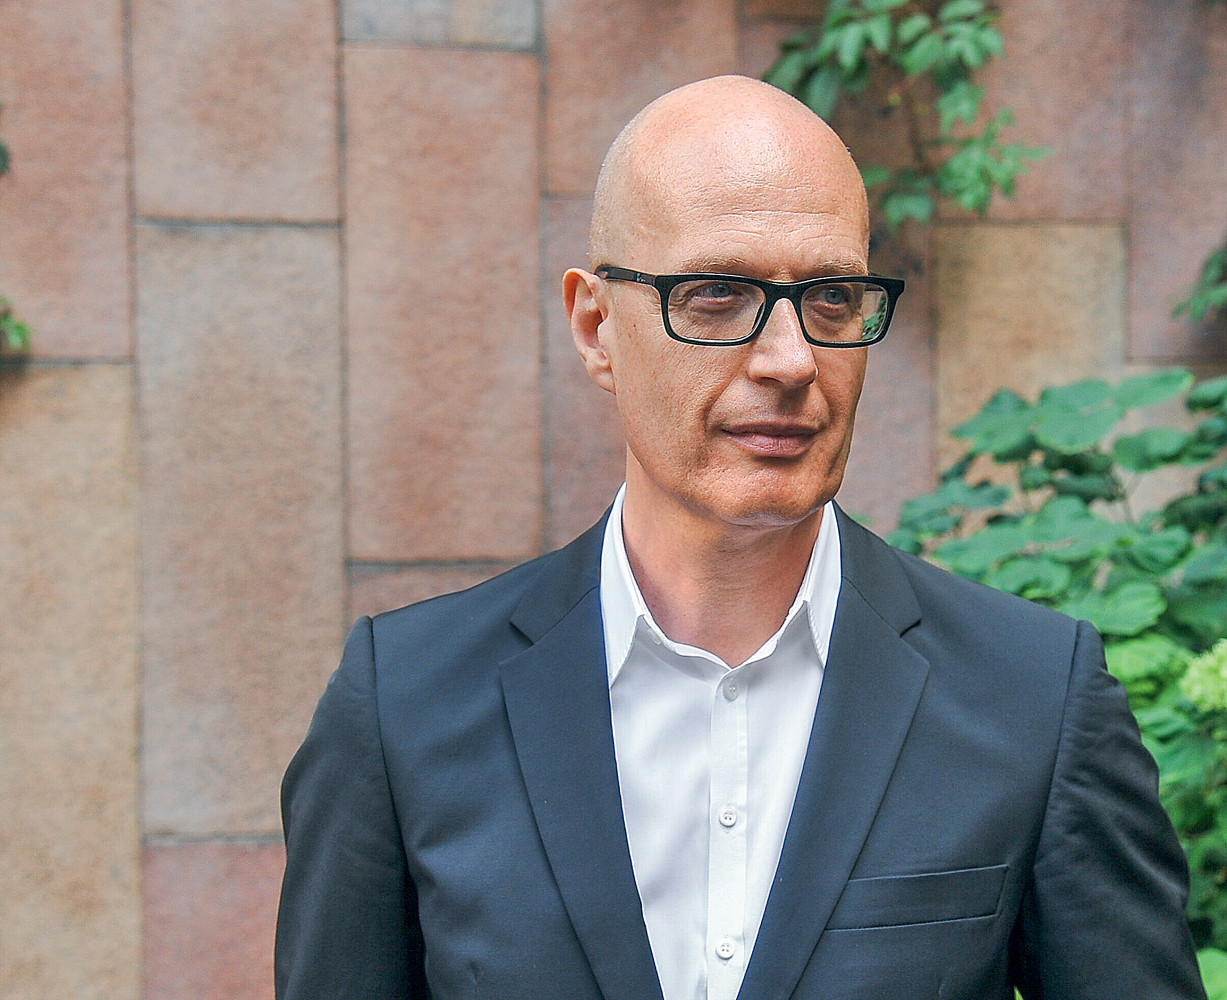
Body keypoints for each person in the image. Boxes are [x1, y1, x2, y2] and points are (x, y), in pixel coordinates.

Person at [275, 75, 1206, 1000]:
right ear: (596, 327)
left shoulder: (1032, 699)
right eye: (716, 294)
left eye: (832, 297)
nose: (791, 360)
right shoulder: (404, 706)